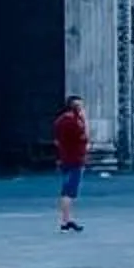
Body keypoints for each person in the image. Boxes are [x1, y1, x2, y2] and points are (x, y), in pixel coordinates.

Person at [53, 95, 89, 232]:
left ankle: (67, 219)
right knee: (69, 191)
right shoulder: (74, 122)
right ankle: (65, 221)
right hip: (75, 159)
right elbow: (85, 137)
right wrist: (84, 121)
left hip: (65, 158)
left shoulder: (60, 121)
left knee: (67, 189)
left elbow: (57, 140)